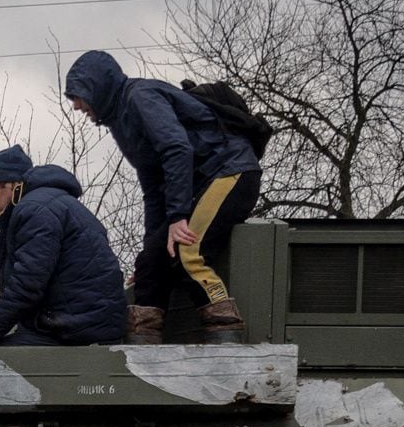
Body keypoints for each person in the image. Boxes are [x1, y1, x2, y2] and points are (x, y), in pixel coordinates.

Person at [62, 48, 261, 342]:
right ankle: (144, 347)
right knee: (152, 261)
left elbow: (177, 149)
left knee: (187, 249)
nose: (77, 106)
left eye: (77, 96)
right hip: (198, 185)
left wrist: (178, 216)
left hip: (230, 172)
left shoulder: (140, 97)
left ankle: (226, 333)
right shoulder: (120, 122)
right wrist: (149, 251)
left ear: (96, 87)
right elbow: (153, 188)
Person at [0, 146, 126, 360]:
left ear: (13, 186)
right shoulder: (50, 204)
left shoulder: (35, 211)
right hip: (86, 321)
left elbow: (26, 287)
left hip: (78, 328)